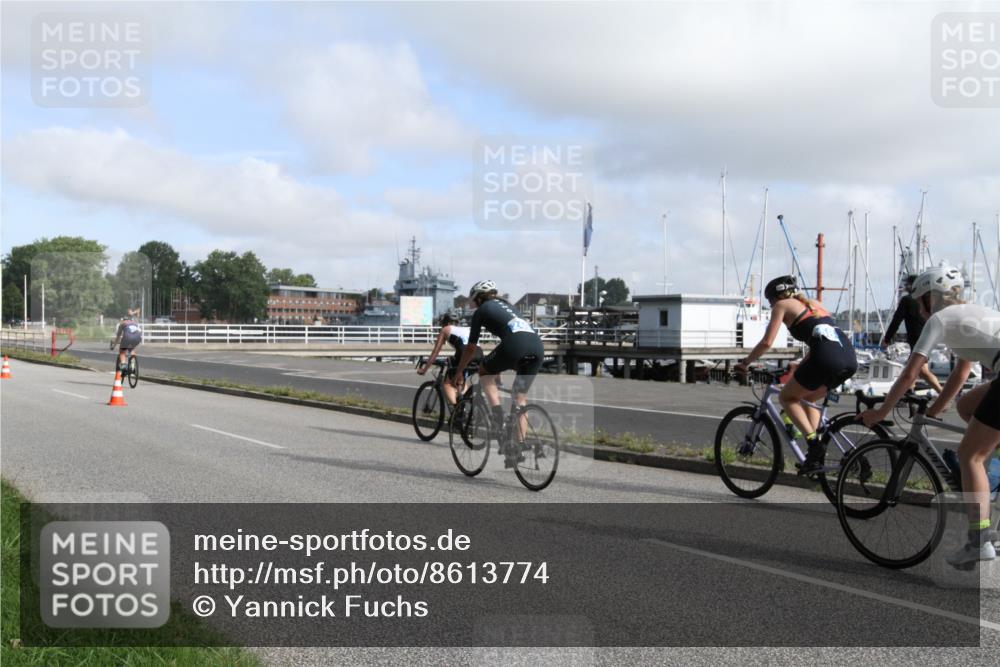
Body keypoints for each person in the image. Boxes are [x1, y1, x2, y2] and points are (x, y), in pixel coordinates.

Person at [860, 265, 1000, 566]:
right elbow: (961, 374)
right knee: (966, 407)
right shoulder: (968, 315)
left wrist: (882, 411)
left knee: (970, 456)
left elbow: (910, 373)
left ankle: (979, 541)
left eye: (920, 302)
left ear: (932, 297)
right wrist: (935, 410)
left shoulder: (940, 319)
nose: (919, 311)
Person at [735, 275, 858, 475]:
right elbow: (824, 339)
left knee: (787, 397)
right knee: (808, 398)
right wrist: (800, 363)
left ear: (776, 297)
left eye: (769, 300)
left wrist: (745, 363)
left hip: (826, 358)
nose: (771, 305)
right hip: (849, 359)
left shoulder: (781, 305)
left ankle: (814, 445)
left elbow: (767, 342)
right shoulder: (815, 304)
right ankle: (816, 451)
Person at [451, 280, 545, 468]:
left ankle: (497, 413)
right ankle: (518, 445)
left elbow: (470, 348)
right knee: (519, 398)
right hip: (537, 347)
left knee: (484, 371)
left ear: (478, 298)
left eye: (473, 299)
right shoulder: (508, 306)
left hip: (515, 345)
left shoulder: (482, 310)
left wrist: (459, 372)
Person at [882, 274, 943, 393]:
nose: (905, 286)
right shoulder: (927, 300)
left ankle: (943, 394)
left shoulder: (907, 300)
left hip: (919, 341)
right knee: (913, 369)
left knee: (921, 371)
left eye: (907, 284)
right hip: (928, 338)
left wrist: (887, 339)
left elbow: (896, 320)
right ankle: (909, 392)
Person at [417, 310, 482, 406]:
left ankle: (457, 408)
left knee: (447, 383)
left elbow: (435, 352)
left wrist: (424, 369)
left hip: (464, 354)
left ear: (446, 323)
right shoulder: (467, 329)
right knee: (460, 379)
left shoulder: (446, 329)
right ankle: (463, 402)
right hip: (479, 355)